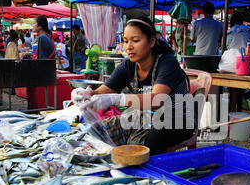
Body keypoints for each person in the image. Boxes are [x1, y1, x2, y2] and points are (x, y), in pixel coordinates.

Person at [71, 17, 196, 155]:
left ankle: (155, 173)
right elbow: (102, 92)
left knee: (149, 140)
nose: (129, 46)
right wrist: (85, 94)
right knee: (97, 131)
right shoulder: (128, 65)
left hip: (178, 120)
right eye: (125, 41)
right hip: (147, 117)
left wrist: (116, 99)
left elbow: (157, 99)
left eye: (135, 41)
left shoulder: (167, 63)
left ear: (152, 41)